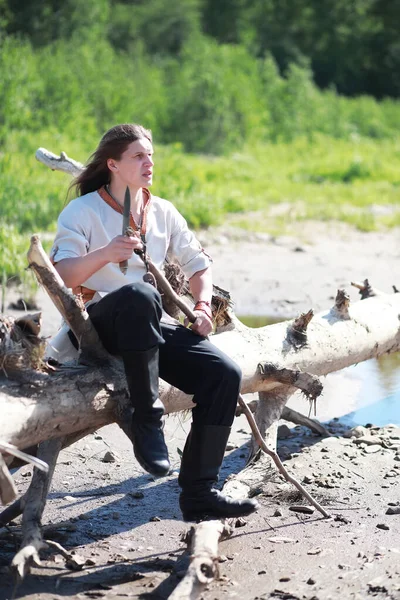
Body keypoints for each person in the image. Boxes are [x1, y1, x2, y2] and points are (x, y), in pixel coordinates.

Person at [50, 123, 259, 522]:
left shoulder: (162, 211)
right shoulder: (82, 210)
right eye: (139, 156)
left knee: (224, 374)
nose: (149, 163)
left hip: (150, 324)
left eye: (151, 156)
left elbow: (199, 264)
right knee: (139, 295)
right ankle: (147, 420)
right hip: (97, 328)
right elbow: (62, 275)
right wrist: (106, 253)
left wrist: (200, 307)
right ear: (112, 164)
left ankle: (199, 493)